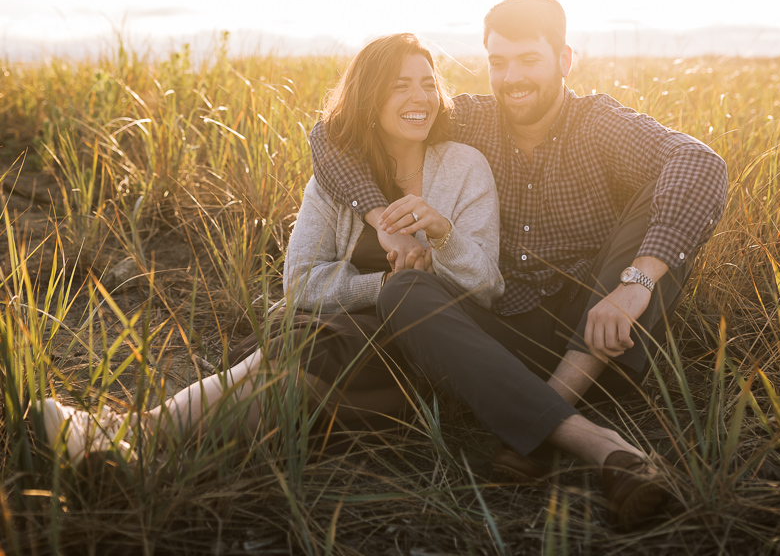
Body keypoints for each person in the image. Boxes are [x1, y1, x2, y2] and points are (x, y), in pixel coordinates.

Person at [309, 0, 730, 529]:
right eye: (498, 62)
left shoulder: (599, 123)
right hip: (504, 335)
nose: (511, 78)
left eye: (528, 59)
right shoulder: (473, 120)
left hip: (605, 332)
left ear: (564, 59)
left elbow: (700, 161)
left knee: (666, 193)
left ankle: (540, 425)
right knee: (401, 290)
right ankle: (592, 441)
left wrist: (636, 283)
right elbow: (330, 134)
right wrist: (380, 221)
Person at [39, 33, 503, 464]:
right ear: (369, 99)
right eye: (400, 85)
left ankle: (129, 433)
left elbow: (486, 286)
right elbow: (300, 282)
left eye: (427, 84)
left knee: (293, 361)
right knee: (288, 378)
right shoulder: (335, 182)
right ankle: (133, 454)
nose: (420, 98)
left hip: (426, 344)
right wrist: (382, 284)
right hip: (338, 338)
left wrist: (442, 237)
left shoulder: (465, 169)